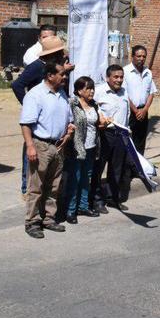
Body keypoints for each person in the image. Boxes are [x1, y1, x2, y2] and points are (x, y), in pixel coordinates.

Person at [11, 36, 74, 195]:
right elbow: (17, 84)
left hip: (51, 114)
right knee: (31, 151)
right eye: (60, 53)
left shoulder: (56, 68)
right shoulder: (36, 67)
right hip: (37, 115)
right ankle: (27, 188)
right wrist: (27, 104)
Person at [20, 61, 74, 239]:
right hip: (40, 145)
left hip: (59, 146)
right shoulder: (35, 95)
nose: (65, 76)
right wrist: (30, 146)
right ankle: (32, 222)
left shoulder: (62, 94)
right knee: (36, 186)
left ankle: (49, 218)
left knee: (54, 186)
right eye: (61, 73)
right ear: (50, 76)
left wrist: (68, 132)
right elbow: (26, 123)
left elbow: (69, 119)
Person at [64, 76, 108, 224]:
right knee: (74, 179)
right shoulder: (72, 104)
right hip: (77, 148)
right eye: (88, 88)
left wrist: (103, 123)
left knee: (85, 179)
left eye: (92, 88)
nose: (91, 91)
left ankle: (83, 206)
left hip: (91, 147)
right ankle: (70, 210)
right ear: (78, 90)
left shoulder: (94, 105)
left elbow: (98, 122)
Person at [93, 64, 130, 213]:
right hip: (105, 135)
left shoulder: (124, 92)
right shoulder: (99, 91)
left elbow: (126, 113)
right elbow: (91, 108)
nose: (119, 80)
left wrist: (127, 129)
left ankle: (112, 198)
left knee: (116, 169)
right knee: (98, 168)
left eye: (121, 77)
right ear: (108, 77)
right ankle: (96, 200)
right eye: (115, 77)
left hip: (121, 135)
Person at [122, 45, 157, 199]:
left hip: (144, 110)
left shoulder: (148, 73)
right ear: (133, 56)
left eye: (144, 56)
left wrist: (145, 109)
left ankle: (139, 168)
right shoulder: (125, 72)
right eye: (139, 56)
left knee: (141, 140)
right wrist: (136, 110)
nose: (142, 59)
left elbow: (151, 93)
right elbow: (124, 94)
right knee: (129, 141)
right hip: (131, 111)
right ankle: (128, 170)